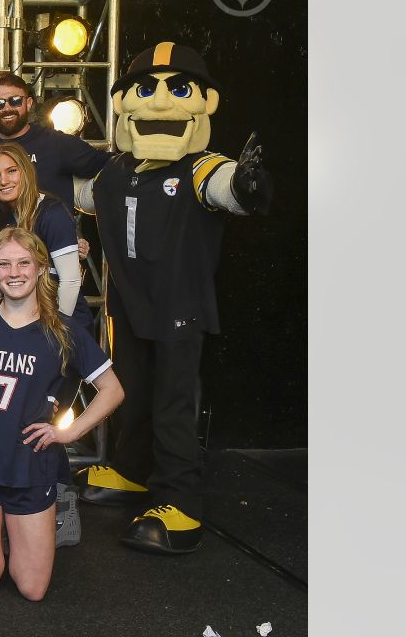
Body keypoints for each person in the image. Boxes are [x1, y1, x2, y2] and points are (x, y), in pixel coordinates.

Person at [73, 43, 272, 554]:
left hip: (179, 305)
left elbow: (229, 188)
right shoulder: (115, 171)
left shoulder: (201, 168)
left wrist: (248, 184)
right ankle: (134, 471)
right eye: (147, 89)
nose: (161, 104)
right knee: (132, 390)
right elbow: (77, 192)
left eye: (178, 89)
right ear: (124, 103)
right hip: (130, 306)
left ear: (203, 101)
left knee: (173, 401)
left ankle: (180, 500)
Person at [0, 227, 123, 599]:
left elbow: (112, 390)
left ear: (42, 268)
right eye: (4, 264)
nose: (14, 273)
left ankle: (17, 527)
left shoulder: (63, 331)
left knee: (32, 588)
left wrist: (69, 433)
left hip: (29, 463)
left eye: (24, 263)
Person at [0, 143, 91, 334]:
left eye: (11, 171)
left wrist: (57, 329)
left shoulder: (51, 212)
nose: (4, 181)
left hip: (62, 323)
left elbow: (71, 281)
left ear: (25, 172)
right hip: (25, 322)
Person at [0, 72, 109, 209]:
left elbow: (112, 166)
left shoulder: (57, 143)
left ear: (28, 103)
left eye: (15, 101)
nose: (7, 108)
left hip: (51, 232)